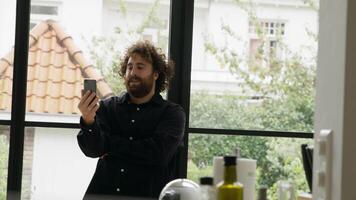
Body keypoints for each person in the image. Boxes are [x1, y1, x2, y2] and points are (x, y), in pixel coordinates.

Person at [77, 41, 186, 199]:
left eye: (140, 67)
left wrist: (109, 144)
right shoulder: (107, 108)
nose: (132, 72)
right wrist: (88, 121)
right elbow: (92, 150)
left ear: (156, 73)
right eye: (129, 67)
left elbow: (158, 155)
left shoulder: (172, 113)